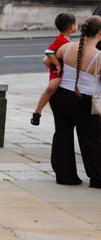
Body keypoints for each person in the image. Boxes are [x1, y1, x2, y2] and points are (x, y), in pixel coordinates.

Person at [50, 15, 101, 187]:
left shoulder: (66, 47)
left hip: (60, 96)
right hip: (84, 101)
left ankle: (64, 176)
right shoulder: (99, 56)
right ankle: (97, 177)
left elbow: (47, 61)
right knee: (93, 138)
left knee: (62, 134)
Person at [31, 13, 77, 126]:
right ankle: (37, 112)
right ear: (72, 27)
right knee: (52, 87)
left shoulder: (68, 40)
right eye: (76, 24)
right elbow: (48, 52)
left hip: (62, 71)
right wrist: (57, 64)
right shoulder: (62, 40)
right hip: (57, 71)